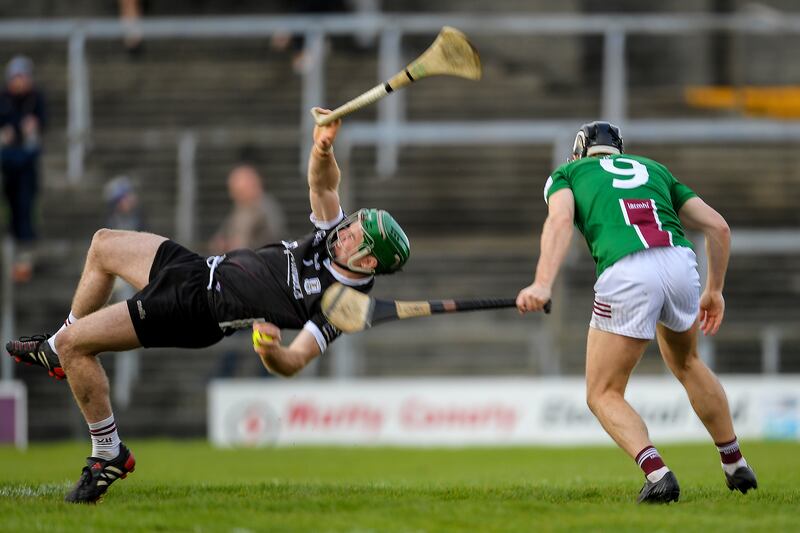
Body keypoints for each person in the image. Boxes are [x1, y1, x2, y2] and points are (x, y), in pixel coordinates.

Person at [5, 108, 411, 504]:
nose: (344, 234)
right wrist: (323, 148)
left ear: (369, 261)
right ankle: (56, 347)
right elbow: (323, 188)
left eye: (354, 237)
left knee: (80, 346)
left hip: (196, 309)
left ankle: (107, 451)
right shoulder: (329, 240)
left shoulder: (339, 304)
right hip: (197, 269)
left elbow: (294, 361)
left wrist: (271, 351)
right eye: (351, 225)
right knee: (103, 244)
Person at [516, 121, 757, 504]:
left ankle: (657, 473)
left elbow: (560, 220)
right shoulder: (654, 170)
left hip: (626, 269)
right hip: (680, 262)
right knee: (688, 362)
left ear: (580, 151)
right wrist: (714, 291)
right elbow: (719, 228)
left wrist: (542, 283)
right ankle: (735, 462)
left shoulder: (567, 173)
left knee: (603, 392)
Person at [0, 55, 47, 282]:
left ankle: (24, 260)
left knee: (26, 207)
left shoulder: (35, 99)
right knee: (9, 208)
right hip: (6, 162)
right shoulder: (4, 99)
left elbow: (40, 126)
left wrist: (32, 130)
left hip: (26, 163)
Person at [208, 164, 287, 254]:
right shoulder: (239, 208)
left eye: (239, 191)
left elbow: (275, 239)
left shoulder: (267, 208)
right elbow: (222, 235)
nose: (233, 196)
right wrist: (221, 243)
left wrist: (245, 245)